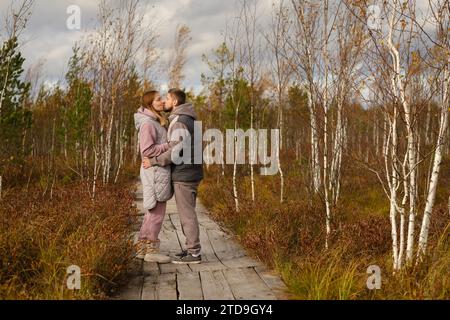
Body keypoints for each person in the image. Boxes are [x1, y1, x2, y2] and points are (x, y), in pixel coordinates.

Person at [143, 88, 204, 265]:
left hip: (185, 174)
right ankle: (192, 249)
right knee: (188, 212)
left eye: (168, 99)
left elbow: (175, 152)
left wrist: (154, 160)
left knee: (187, 214)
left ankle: (193, 253)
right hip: (191, 171)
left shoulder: (180, 121)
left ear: (175, 102)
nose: (165, 102)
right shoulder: (190, 118)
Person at [134, 90, 173, 264]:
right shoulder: (148, 124)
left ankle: (142, 249)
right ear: (151, 104)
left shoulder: (154, 121)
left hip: (157, 170)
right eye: (159, 99)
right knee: (157, 211)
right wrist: (169, 145)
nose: (162, 101)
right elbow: (147, 151)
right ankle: (151, 251)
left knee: (152, 210)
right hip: (155, 171)